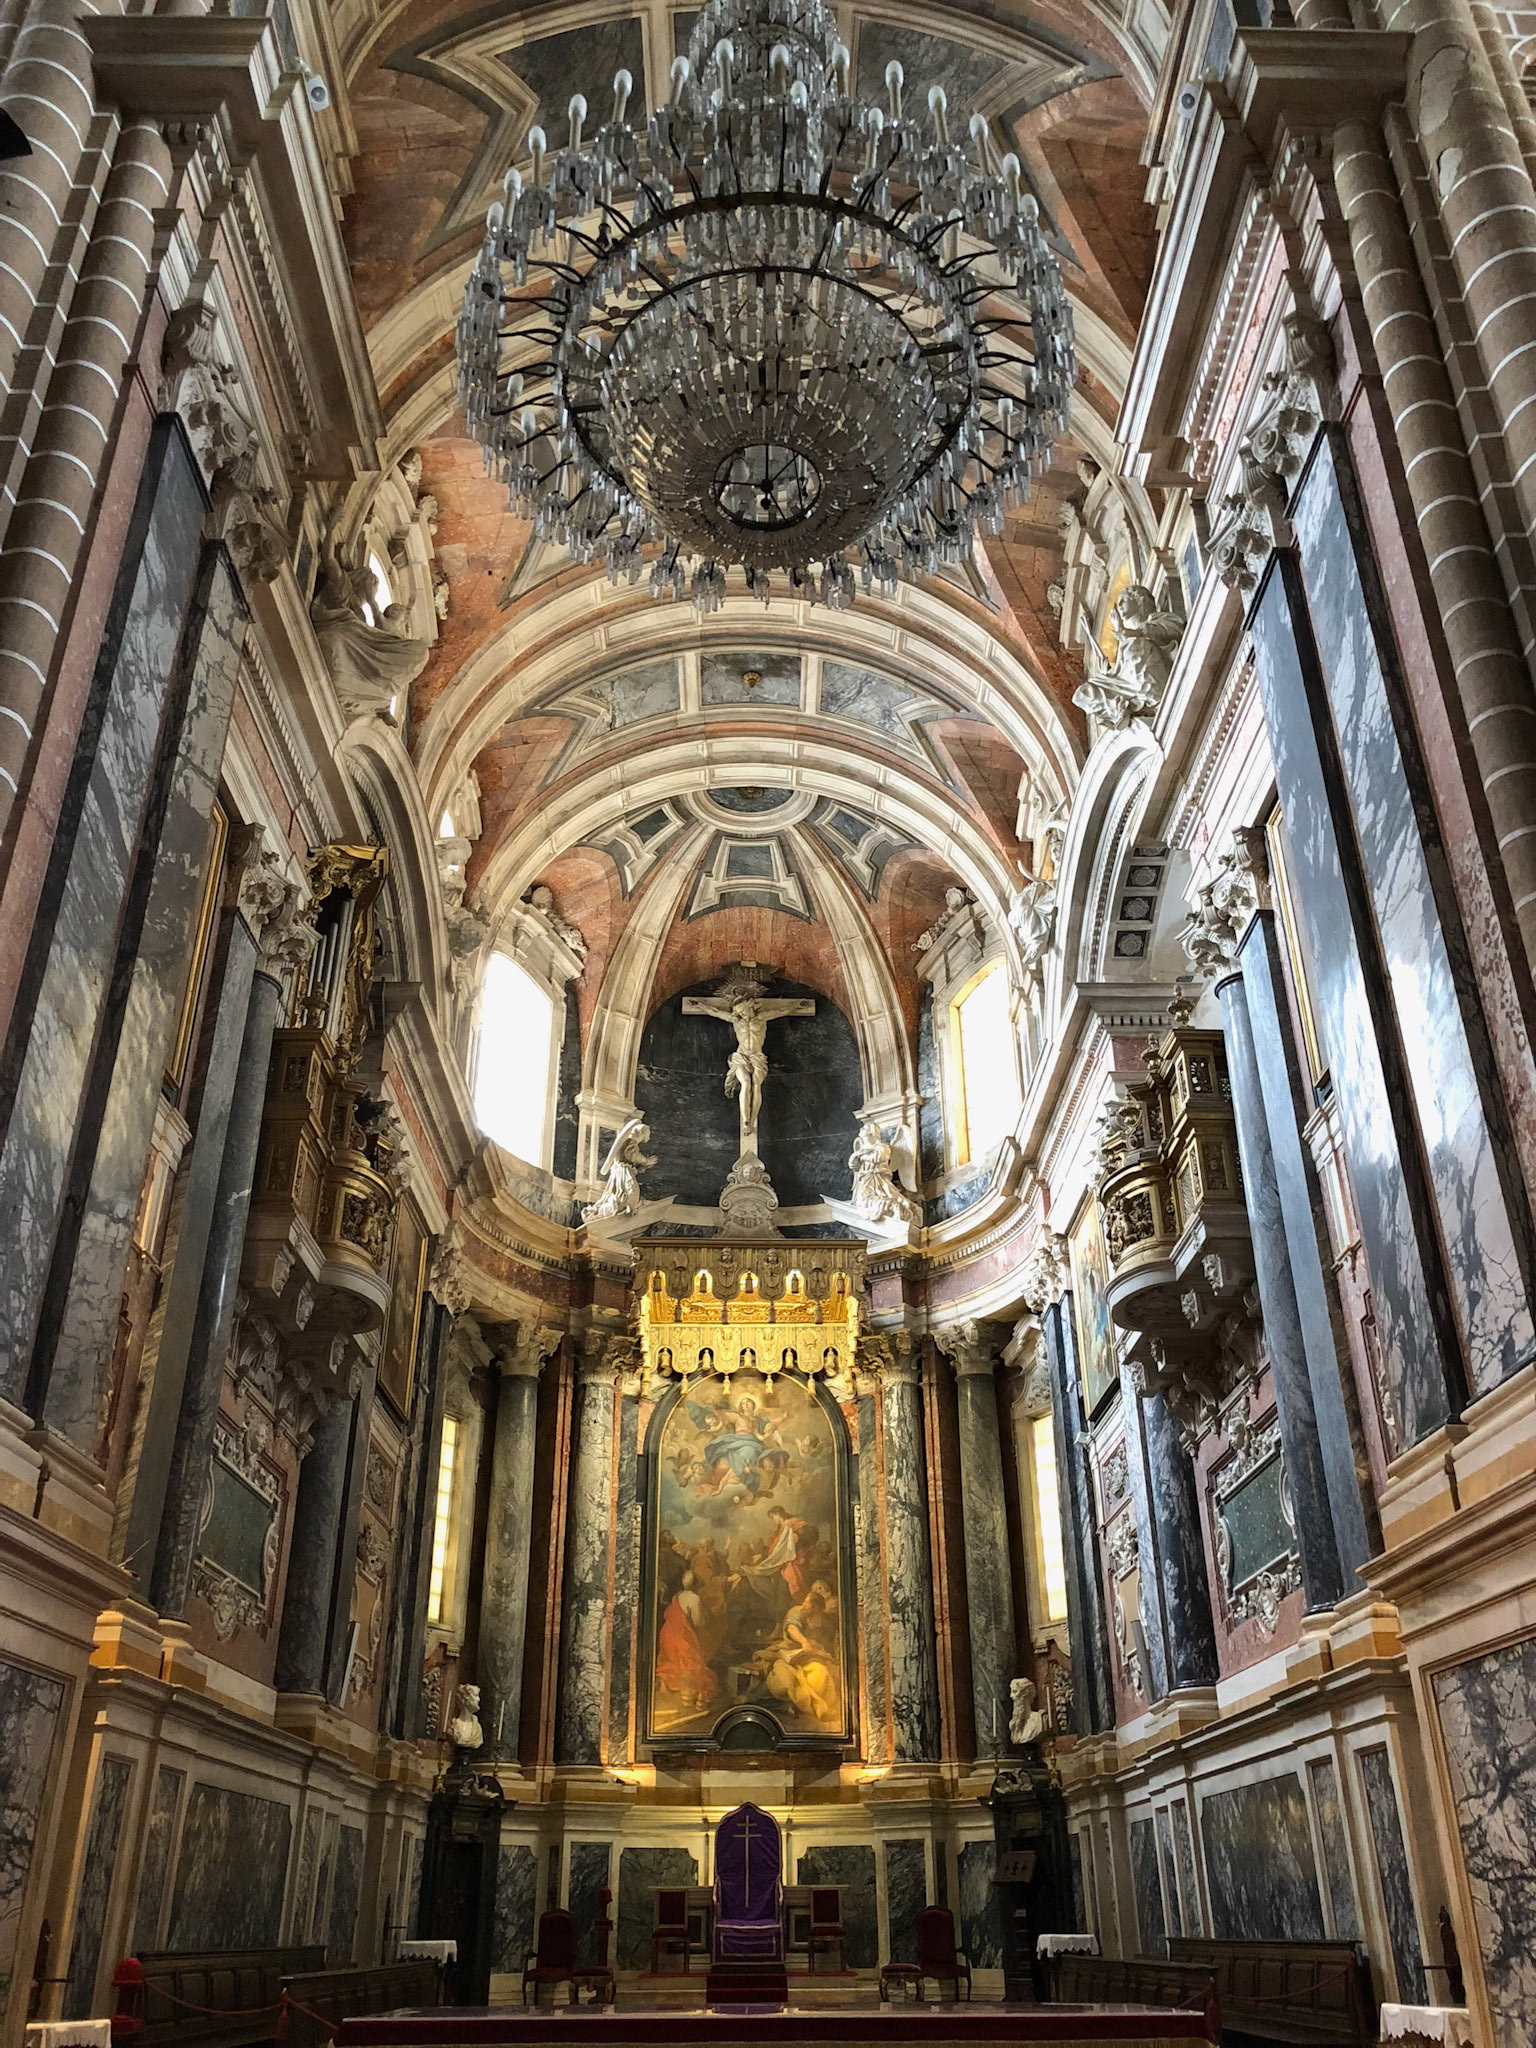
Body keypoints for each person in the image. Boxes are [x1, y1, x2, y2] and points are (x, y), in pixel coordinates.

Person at [657, 1571, 720, 1712]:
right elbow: (699, 1623)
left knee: (671, 1661)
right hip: (681, 1638)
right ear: (696, 1583)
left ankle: (665, 1686)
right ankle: (691, 1694)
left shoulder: (678, 1595)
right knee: (691, 1665)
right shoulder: (694, 1598)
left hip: (666, 1634)